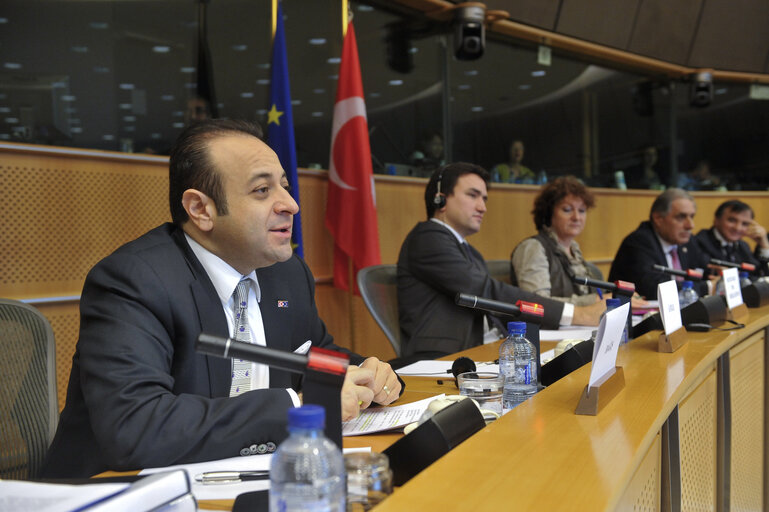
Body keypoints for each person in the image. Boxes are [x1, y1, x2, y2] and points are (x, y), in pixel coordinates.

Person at [42, 119, 401, 478]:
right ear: (201, 209)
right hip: (122, 491)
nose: (290, 204)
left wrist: (366, 372)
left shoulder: (287, 274)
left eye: (285, 186)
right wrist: (298, 407)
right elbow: (135, 428)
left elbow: (314, 354)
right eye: (262, 190)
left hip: (247, 479)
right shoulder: (134, 281)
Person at [396, 163, 605, 359]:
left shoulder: (469, 251)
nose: (482, 207)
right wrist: (576, 314)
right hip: (445, 359)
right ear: (440, 200)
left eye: (484, 199)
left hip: (485, 351)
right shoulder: (427, 238)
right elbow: (486, 291)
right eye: (473, 196)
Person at [511, 176, 601, 306]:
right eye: (567, 210)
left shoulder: (574, 250)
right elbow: (537, 303)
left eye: (582, 211)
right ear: (549, 213)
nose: (577, 217)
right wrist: (594, 301)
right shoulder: (533, 248)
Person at [608, 188, 711, 299]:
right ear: (658, 218)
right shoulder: (639, 242)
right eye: (681, 217)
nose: (690, 225)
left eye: (691, 217)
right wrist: (707, 287)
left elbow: (705, 269)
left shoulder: (687, 242)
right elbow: (655, 289)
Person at [695, 199, 769, 275]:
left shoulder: (743, 246)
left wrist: (764, 246)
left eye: (745, 224)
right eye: (732, 220)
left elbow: (759, 274)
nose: (738, 228)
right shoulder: (700, 242)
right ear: (716, 220)